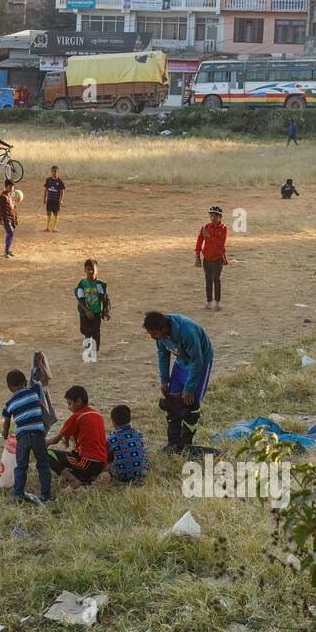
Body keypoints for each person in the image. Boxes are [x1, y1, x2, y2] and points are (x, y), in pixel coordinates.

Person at [143, 311, 214, 453]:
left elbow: (197, 360)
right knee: (172, 401)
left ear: (163, 328)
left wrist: (189, 387)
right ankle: (173, 443)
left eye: (154, 334)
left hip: (200, 362)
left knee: (190, 404)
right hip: (182, 362)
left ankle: (186, 444)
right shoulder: (161, 336)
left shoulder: (187, 331)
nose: (152, 338)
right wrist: (164, 380)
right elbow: (162, 355)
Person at [1, 369, 52, 504]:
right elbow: (45, 380)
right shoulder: (33, 390)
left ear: (9, 387)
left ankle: (18, 493)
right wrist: (40, 363)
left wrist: (5, 434)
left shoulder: (8, 403)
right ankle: (46, 494)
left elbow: (6, 422)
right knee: (43, 465)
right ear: (25, 383)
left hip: (22, 437)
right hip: (38, 435)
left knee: (21, 466)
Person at [45, 385, 108, 489]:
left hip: (87, 462)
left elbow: (56, 440)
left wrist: (43, 443)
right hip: (101, 463)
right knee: (71, 462)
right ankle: (94, 477)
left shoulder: (76, 416)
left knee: (47, 454)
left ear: (78, 401)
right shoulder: (98, 415)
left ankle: (72, 480)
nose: (68, 407)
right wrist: (67, 441)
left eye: (69, 404)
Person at [195, 205, 229, 311]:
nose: (213, 218)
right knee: (208, 279)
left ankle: (217, 302)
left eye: (215, 216)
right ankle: (209, 301)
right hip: (207, 258)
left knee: (216, 279)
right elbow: (199, 241)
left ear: (220, 217)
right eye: (211, 215)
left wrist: (210, 236)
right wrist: (197, 255)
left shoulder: (223, 228)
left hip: (218, 258)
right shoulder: (205, 227)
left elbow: (221, 243)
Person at [75, 259, 110, 355]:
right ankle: (87, 340)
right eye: (88, 269)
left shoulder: (100, 285)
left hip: (96, 312)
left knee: (96, 331)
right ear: (85, 270)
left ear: (96, 270)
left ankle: (94, 351)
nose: (90, 272)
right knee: (85, 329)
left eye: (92, 269)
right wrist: (86, 311)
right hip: (85, 312)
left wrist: (106, 310)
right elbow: (80, 298)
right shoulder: (82, 284)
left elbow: (105, 298)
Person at [106, 404, 148, 483]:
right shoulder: (138, 433)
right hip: (142, 472)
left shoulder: (112, 437)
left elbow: (106, 455)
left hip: (121, 475)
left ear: (113, 421)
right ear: (130, 419)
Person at [0, 178, 18, 259]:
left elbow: (13, 208)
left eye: (13, 187)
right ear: (6, 187)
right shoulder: (2, 197)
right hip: (6, 218)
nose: (12, 188)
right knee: (10, 233)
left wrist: (15, 218)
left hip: (12, 218)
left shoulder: (10, 196)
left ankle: (8, 249)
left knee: (11, 234)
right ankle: (6, 251)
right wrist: (0, 219)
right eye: (10, 187)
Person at [43, 165, 66, 232]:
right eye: (52, 172)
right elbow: (46, 189)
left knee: (55, 213)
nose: (54, 173)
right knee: (48, 212)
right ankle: (47, 227)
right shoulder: (48, 180)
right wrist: (44, 198)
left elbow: (62, 192)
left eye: (55, 172)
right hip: (49, 200)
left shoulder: (60, 182)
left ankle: (54, 227)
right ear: (51, 172)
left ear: (58, 172)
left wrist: (61, 199)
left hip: (56, 200)